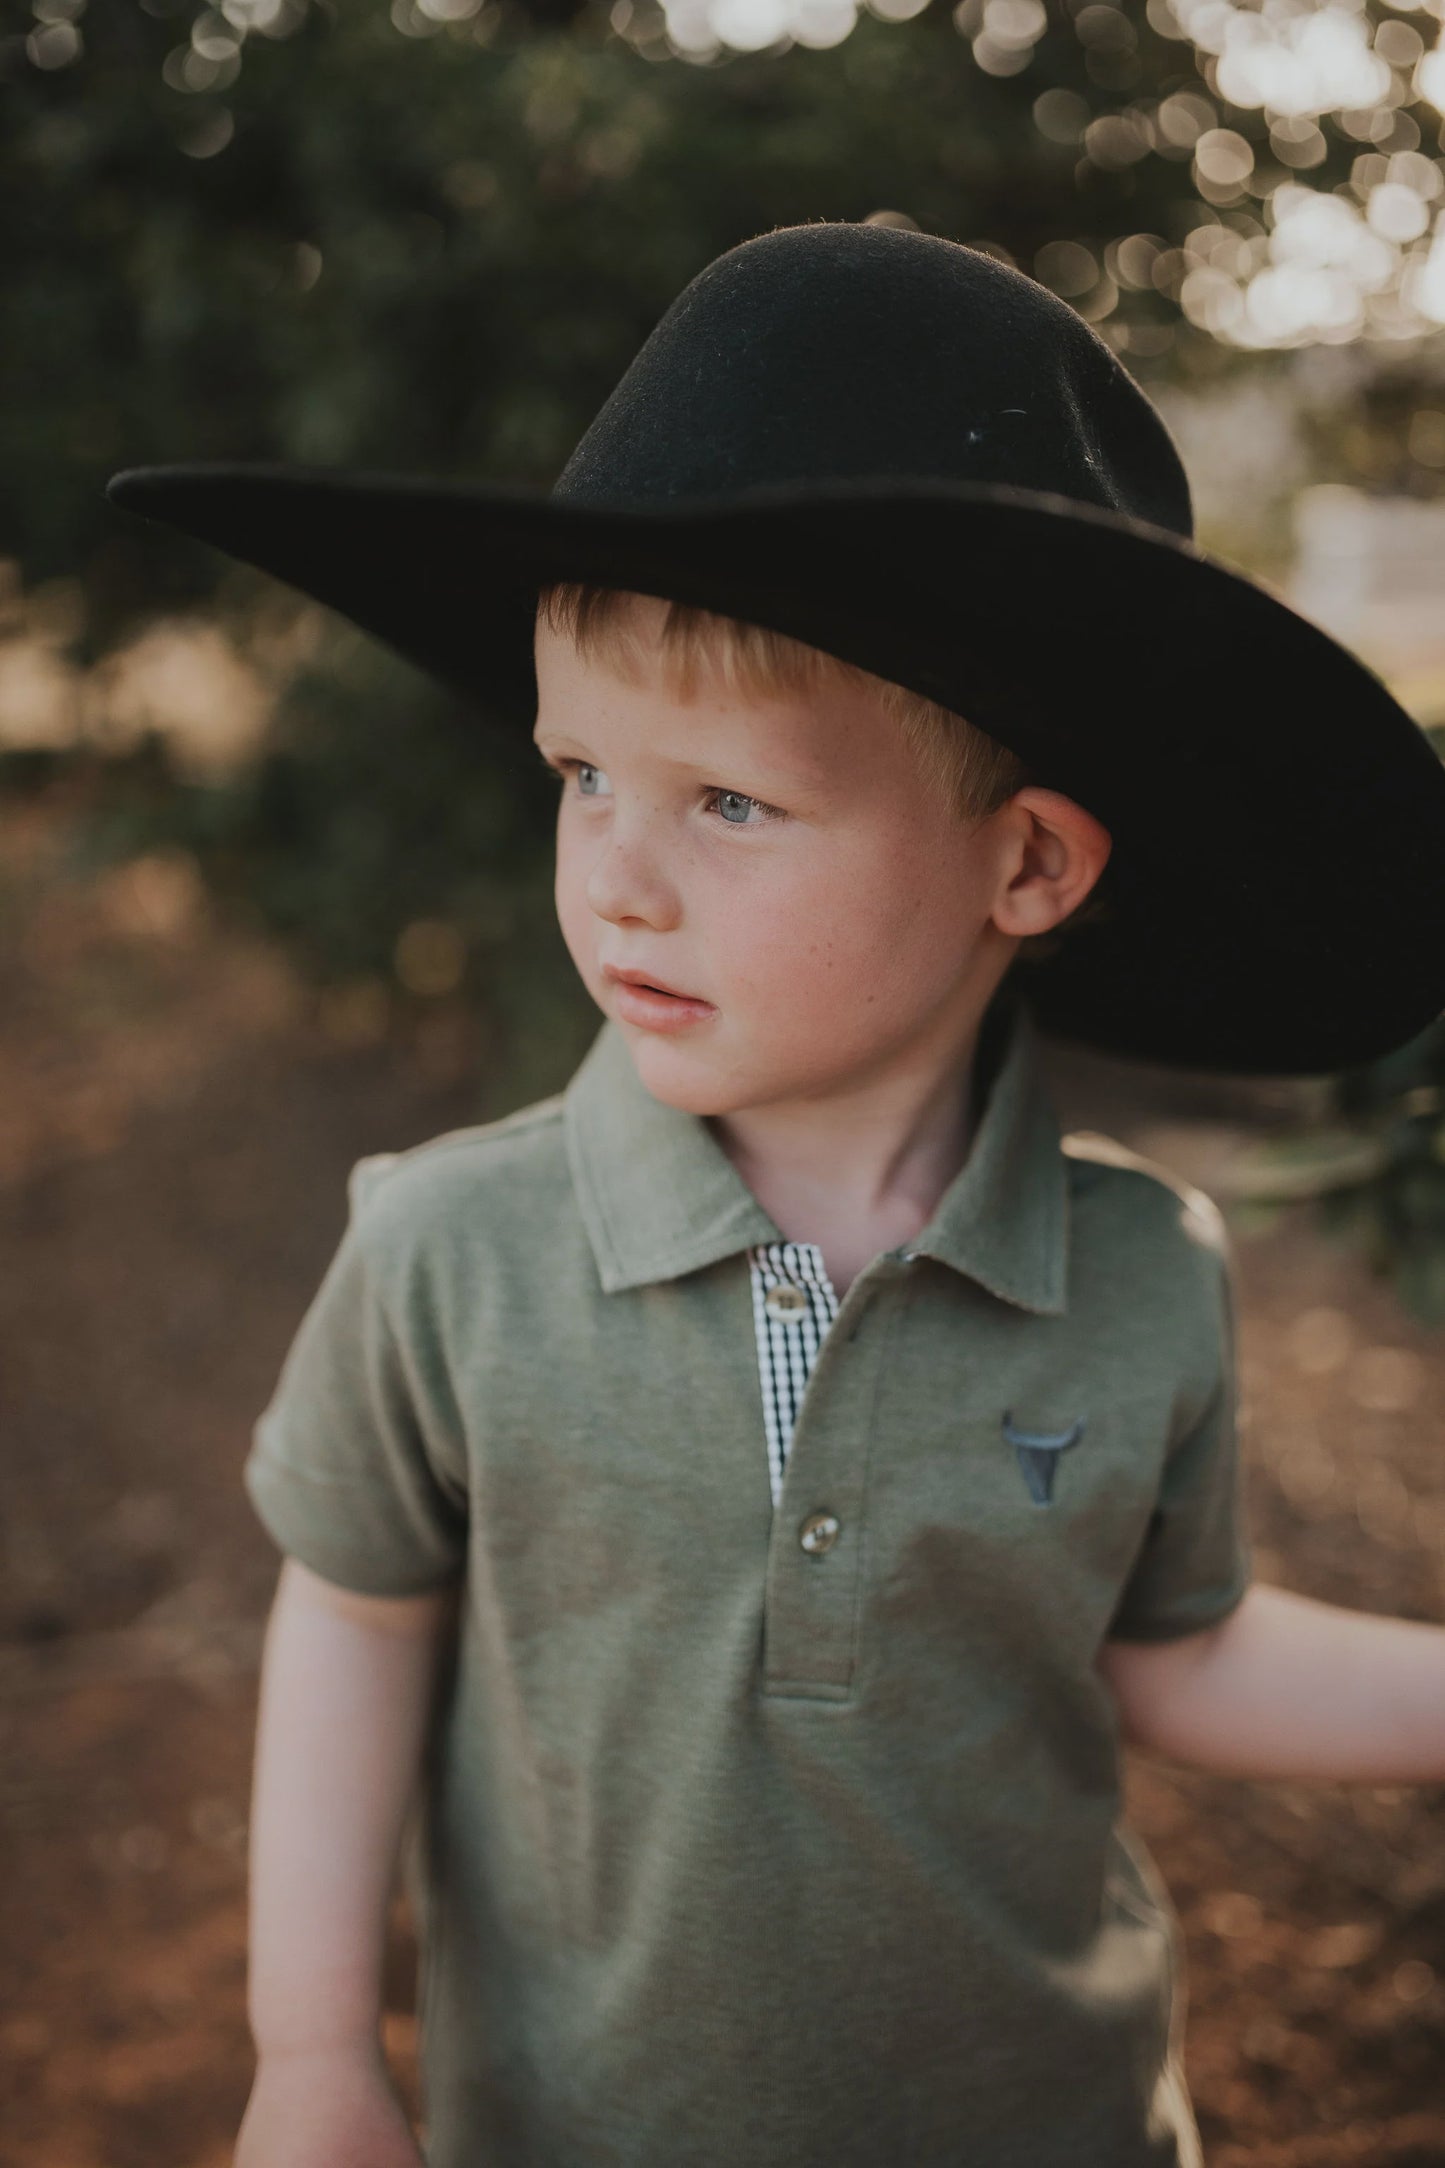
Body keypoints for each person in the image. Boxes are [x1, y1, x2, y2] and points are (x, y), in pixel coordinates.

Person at [106, 221, 1445, 2168]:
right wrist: (312, 2050)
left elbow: (1177, 1647)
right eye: (582, 773)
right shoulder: (452, 1249)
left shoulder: (1145, 1276)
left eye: (727, 800)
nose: (619, 878)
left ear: (1030, 868)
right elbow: (359, 1609)